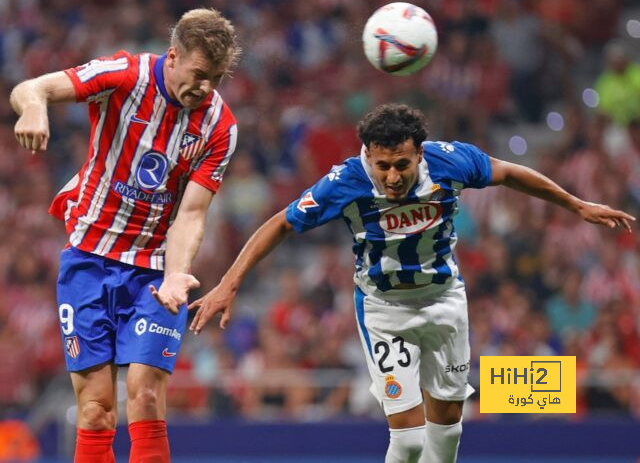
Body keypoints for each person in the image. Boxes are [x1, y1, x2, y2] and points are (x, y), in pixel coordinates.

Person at [177, 103, 635, 463]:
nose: (392, 176)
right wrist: (230, 283)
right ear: (367, 157)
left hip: (445, 300)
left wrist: (577, 205)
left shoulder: (451, 162)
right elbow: (281, 223)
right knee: (410, 439)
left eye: (401, 164)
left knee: (450, 424)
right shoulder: (347, 181)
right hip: (384, 310)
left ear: (420, 151)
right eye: (382, 166)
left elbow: (510, 173)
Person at [10, 8, 240, 463]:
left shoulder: (220, 126)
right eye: (198, 74)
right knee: (95, 409)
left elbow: (192, 213)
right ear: (172, 57)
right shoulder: (125, 74)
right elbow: (30, 87)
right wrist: (35, 108)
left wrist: (177, 274)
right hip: (88, 258)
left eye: (215, 77)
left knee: (146, 394)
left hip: (155, 269)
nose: (206, 87)